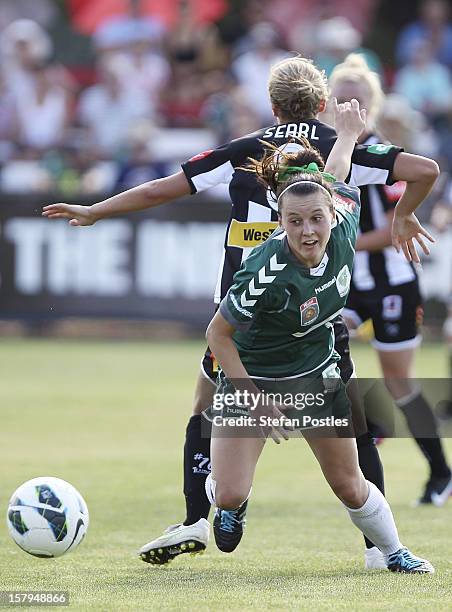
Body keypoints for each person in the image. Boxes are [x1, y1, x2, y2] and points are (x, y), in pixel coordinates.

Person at [42, 56, 439, 568]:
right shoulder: (344, 151)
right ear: (321, 103)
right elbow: (420, 171)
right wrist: (404, 213)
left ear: (272, 107)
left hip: (244, 310)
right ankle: (371, 548)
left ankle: (194, 517)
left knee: (204, 409)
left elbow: (162, 187)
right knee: (353, 429)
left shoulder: (245, 150)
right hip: (284, 315)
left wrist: (97, 210)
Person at [204, 99, 434, 573]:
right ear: (280, 222)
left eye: (315, 219)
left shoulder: (345, 222)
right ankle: (227, 502)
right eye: (294, 222)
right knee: (229, 492)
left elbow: (337, 175)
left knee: (349, 484)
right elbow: (217, 335)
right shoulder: (265, 271)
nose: (307, 231)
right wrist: (253, 399)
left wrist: (348, 134)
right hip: (253, 381)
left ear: (333, 215)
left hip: (315, 375)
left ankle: (395, 553)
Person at [327, 53, 451, 504]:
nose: (347, 106)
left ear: (371, 106)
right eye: (339, 98)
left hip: (395, 283)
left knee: (400, 381)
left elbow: (396, 227)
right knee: (329, 356)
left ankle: (441, 473)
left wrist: (341, 243)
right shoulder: (328, 153)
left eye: (356, 99)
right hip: (350, 285)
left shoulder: (379, 154)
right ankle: (369, 442)